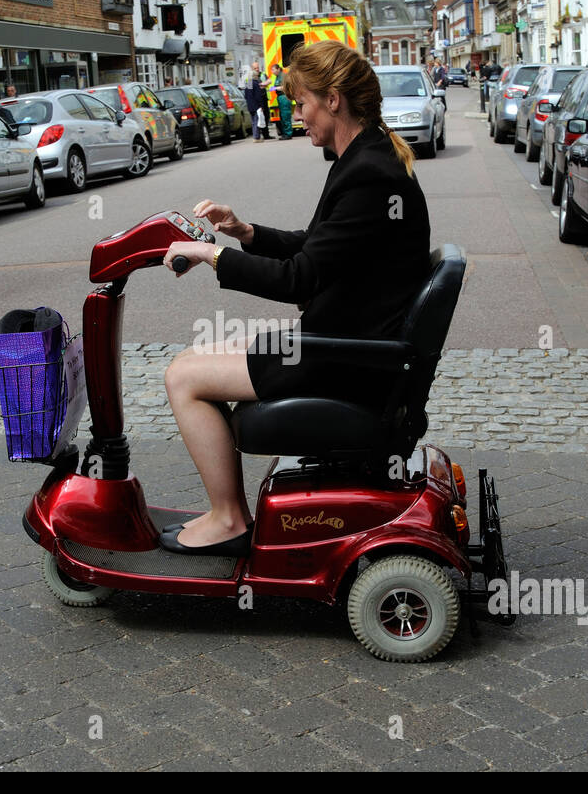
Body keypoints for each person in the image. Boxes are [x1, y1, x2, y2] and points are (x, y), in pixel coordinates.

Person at [158, 40, 430, 554]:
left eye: (301, 102)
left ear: (333, 99)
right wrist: (245, 232)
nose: (295, 113)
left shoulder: (369, 173)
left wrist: (208, 255)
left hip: (340, 356)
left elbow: (299, 280)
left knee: (183, 378)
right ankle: (229, 514)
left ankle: (227, 519)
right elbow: (319, 250)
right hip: (344, 344)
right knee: (193, 361)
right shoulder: (365, 159)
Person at [244, 60, 268, 141]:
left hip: (250, 105)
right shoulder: (255, 84)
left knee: (254, 122)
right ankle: (256, 137)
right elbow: (258, 96)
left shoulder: (248, 83)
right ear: (255, 76)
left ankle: (255, 136)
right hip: (256, 105)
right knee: (257, 121)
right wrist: (261, 105)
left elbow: (246, 95)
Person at [270, 63, 292, 138]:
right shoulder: (277, 76)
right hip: (280, 97)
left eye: (273, 69)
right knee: (282, 117)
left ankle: (288, 134)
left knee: (285, 116)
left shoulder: (283, 76)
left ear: (278, 69)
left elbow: (285, 87)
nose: (272, 71)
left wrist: (275, 88)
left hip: (284, 97)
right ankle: (285, 133)